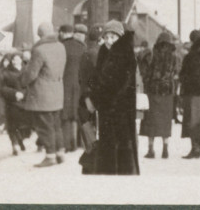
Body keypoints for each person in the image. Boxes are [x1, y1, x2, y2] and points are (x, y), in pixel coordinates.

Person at [85, 20, 140, 175]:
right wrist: (91, 90)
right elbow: (98, 77)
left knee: (121, 146)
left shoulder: (124, 55)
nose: (109, 41)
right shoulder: (105, 52)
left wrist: (95, 96)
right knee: (109, 145)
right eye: (107, 37)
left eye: (113, 37)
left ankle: (122, 176)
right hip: (107, 110)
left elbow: (116, 85)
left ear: (120, 37)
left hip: (119, 110)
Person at [20, 21, 67, 168]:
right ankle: (60, 153)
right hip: (57, 91)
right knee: (56, 125)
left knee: (44, 126)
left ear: (39, 35)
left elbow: (32, 74)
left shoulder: (39, 50)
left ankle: (50, 156)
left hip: (42, 94)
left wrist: (23, 80)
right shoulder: (61, 46)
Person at [141, 31, 178, 159]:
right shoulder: (173, 57)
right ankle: (165, 149)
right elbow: (175, 73)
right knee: (165, 121)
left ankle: (151, 150)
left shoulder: (152, 55)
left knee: (151, 121)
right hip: (167, 93)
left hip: (153, 92)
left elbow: (146, 74)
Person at [179, 29, 200, 158]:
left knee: (192, 120)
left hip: (192, 91)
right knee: (199, 119)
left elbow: (191, 72)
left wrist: (183, 77)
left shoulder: (193, 54)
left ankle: (195, 149)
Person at [59, 24, 84, 153]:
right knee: (75, 112)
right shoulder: (81, 46)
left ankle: (66, 144)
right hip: (78, 84)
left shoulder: (61, 46)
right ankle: (75, 142)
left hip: (64, 83)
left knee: (65, 113)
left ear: (62, 33)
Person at [0, 52, 29, 155]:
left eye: (18, 59)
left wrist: (24, 93)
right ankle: (15, 144)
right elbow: (1, 88)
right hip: (12, 102)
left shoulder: (27, 70)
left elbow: (31, 84)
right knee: (12, 125)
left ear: (21, 59)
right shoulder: (5, 72)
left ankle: (20, 139)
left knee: (24, 126)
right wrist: (14, 93)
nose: (16, 61)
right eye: (14, 59)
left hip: (25, 101)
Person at [78, 24, 102, 152]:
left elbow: (82, 77)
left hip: (88, 93)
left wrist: (86, 96)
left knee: (84, 118)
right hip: (100, 93)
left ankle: (92, 144)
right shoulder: (103, 53)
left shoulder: (86, 53)